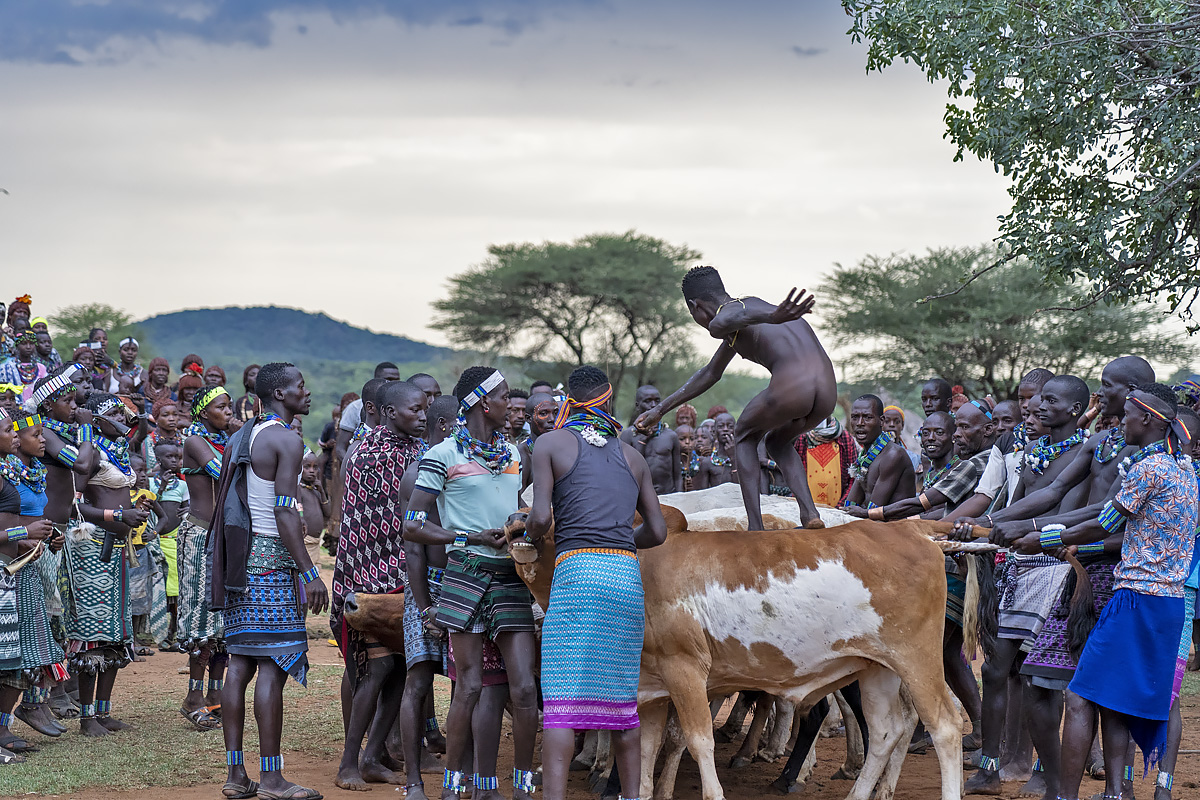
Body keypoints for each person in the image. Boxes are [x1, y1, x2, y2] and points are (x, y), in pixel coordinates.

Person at [1007, 384, 1196, 800]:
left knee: (1078, 697)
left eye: (1127, 413)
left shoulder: (1148, 470)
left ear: (1146, 418)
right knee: (1112, 701)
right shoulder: (1184, 469)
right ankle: (1115, 792)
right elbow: (1135, 538)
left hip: (1134, 601)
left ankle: (1066, 797)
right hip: (1169, 603)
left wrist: (1040, 536)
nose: (1121, 420)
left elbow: (1104, 523)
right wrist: (1074, 545)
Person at [525, 365, 669, 800]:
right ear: (607, 401)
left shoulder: (550, 443)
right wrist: (622, 538)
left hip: (577, 575)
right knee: (622, 707)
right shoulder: (633, 457)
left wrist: (532, 536)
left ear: (569, 399)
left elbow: (541, 518)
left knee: (563, 709)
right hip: (625, 578)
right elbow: (658, 532)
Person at [402, 366, 538, 800]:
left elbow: (513, 503)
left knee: (524, 688)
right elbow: (413, 524)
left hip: (509, 576)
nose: (510, 406)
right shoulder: (443, 454)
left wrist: (519, 525)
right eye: (502, 397)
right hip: (465, 573)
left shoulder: (515, 453)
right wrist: (468, 536)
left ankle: (522, 786)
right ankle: (453, 786)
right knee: (470, 687)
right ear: (483, 403)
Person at [960, 375, 1091, 796]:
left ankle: (1048, 778)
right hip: (1017, 564)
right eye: (1036, 402)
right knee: (996, 671)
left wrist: (1006, 525)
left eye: (1049, 401)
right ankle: (991, 768)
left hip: (1055, 565)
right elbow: (1015, 502)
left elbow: (1065, 509)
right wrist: (988, 523)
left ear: (1074, 409)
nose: (1037, 408)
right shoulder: (1032, 452)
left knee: (1042, 682)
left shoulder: (1084, 452)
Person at [635, 266, 836, 530]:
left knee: (744, 434)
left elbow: (721, 323)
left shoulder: (727, 317)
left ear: (695, 307)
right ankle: (810, 515)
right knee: (777, 441)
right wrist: (661, 410)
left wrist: (774, 316)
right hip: (827, 392)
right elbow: (709, 373)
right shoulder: (747, 314)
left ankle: (755, 527)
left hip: (794, 387)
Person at [212, 362, 327, 800]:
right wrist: (310, 572)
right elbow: (283, 512)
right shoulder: (287, 439)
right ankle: (274, 778)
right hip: (271, 564)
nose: (308, 391)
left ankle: (236, 774)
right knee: (272, 667)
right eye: (301, 385)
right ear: (280, 393)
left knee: (239, 664)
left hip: (241, 562)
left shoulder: (247, 434)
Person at [331, 380, 429, 790]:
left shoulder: (409, 449)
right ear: (389, 413)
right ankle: (349, 762)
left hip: (400, 572)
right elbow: (399, 515)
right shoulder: (374, 453)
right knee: (378, 667)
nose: (422, 416)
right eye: (415, 410)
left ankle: (372, 755)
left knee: (401, 669)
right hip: (369, 574)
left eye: (425, 410)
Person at [68, 392, 149, 736]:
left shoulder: (120, 452)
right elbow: (74, 504)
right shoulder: (91, 451)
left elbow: (141, 424)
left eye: (125, 411)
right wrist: (117, 514)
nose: (124, 416)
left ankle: (103, 711)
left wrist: (135, 512)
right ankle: (87, 717)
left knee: (116, 632)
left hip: (118, 548)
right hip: (91, 547)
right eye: (116, 412)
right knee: (92, 633)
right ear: (99, 420)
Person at [399, 394, 461, 800]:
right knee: (418, 682)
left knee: (465, 684)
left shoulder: (467, 468)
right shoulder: (417, 475)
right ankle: (414, 782)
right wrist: (425, 608)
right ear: (446, 427)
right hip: (427, 586)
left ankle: (462, 774)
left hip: (462, 581)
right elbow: (415, 548)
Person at [1, 405, 71, 743]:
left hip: (26, 561)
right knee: (16, 648)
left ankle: (26, 709)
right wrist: (25, 535)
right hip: (11, 565)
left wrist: (44, 536)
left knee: (28, 645)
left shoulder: (20, 471)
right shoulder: (6, 473)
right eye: (11, 432)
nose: (16, 437)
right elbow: (12, 527)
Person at [179, 384, 233, 731]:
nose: (229, 413)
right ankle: (193, 698)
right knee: (201, 620)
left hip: (225, 537)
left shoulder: (226, 441)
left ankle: (216, 697)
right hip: (200, 535)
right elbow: (223, 473)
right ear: (203, 412)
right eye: (222, 408)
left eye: (230, 407)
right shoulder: (194, 442)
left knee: (222, 624)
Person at [842, 395, 915, 511]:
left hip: (896, 527)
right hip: (873, 524)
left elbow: (874, 511)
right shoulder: (866, 457)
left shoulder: (893, 455)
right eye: (855, 417)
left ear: (881, 421)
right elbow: (851, 504)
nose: (860, 423)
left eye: (867, 417)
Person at [149, 441, 186, 650]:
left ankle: (174, 633)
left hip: (175, 542)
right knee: (160, 592)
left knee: (176, 592)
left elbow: (187, 506)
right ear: (158, 460)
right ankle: (158, 635)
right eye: (170, 457)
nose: (174, 461)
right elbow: (152, 503)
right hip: (157, 542)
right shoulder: (151, 484)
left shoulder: (182, 485)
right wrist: (161, 486)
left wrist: (185, 510)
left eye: (177, 457)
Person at [620, 385, 681, 494]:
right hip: (638, 497)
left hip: (669, 494)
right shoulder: (628, 435)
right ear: (638, 406)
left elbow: (677, 475)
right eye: (647, 401)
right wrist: (643, 440)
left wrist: (680, 496)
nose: (653, 405)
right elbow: (623, 472)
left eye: (657, 401)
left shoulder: (671, 436)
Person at [518, 391, 559, 494]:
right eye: (543, 414)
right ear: (528, 418)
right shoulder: (522, 455)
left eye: (555, 413)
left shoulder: (563, 450)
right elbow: (518, 500)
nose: (552, 419)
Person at [297, 451, 329, 582]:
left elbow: (328, 512)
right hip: (305, 542)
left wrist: (322, 492)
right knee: (306, 578)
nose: (311, 471)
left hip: (315, 544)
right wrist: (301, 517)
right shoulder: (298, 488)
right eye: (307, 467)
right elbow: (298, 507)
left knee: (315, 574)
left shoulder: (316, 490)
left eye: (315, 467)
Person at [0, 331, 47, 403]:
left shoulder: (41, 368)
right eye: (24, 344)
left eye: (31, 343)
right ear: (17, 345)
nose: (28, 347)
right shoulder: (6, 368)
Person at [695, 411, 737, 489]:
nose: (725, 429)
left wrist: (733, 458)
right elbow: (702, 495)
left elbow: (741, 489)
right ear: (714, 432)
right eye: (721, 426)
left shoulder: (744, 459)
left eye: (730, 426)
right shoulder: (707, 463)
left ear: (736, 430)